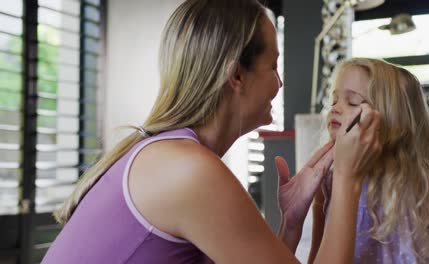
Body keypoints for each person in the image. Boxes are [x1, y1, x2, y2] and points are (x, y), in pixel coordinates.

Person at [42, 1, 381, 263]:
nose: (279, 82)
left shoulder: (174, 155)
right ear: (236, 76)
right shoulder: (188, 170)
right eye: (273, 67)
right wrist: (350, 176)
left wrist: (291, 224)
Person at [308, 57, 429, 264]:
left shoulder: (422, 186)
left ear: (393, 120)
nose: (335, 108)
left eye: (353, 101)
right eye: (334, 100)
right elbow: (317, 258)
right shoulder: (328, 185)